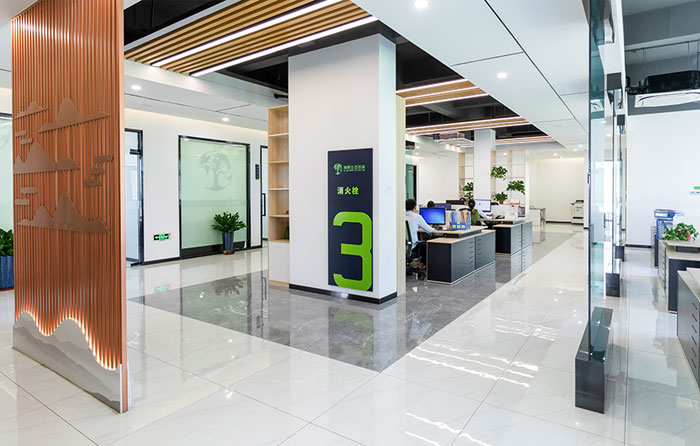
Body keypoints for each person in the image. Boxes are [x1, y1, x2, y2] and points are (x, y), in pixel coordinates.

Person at [405, 199, 434, 271]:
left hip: (402, 247)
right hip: (412, 248)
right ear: (415, 207)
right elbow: (429, 230)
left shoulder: (400, 216)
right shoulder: (417, 217)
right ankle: (421, 264)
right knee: (428, 245)